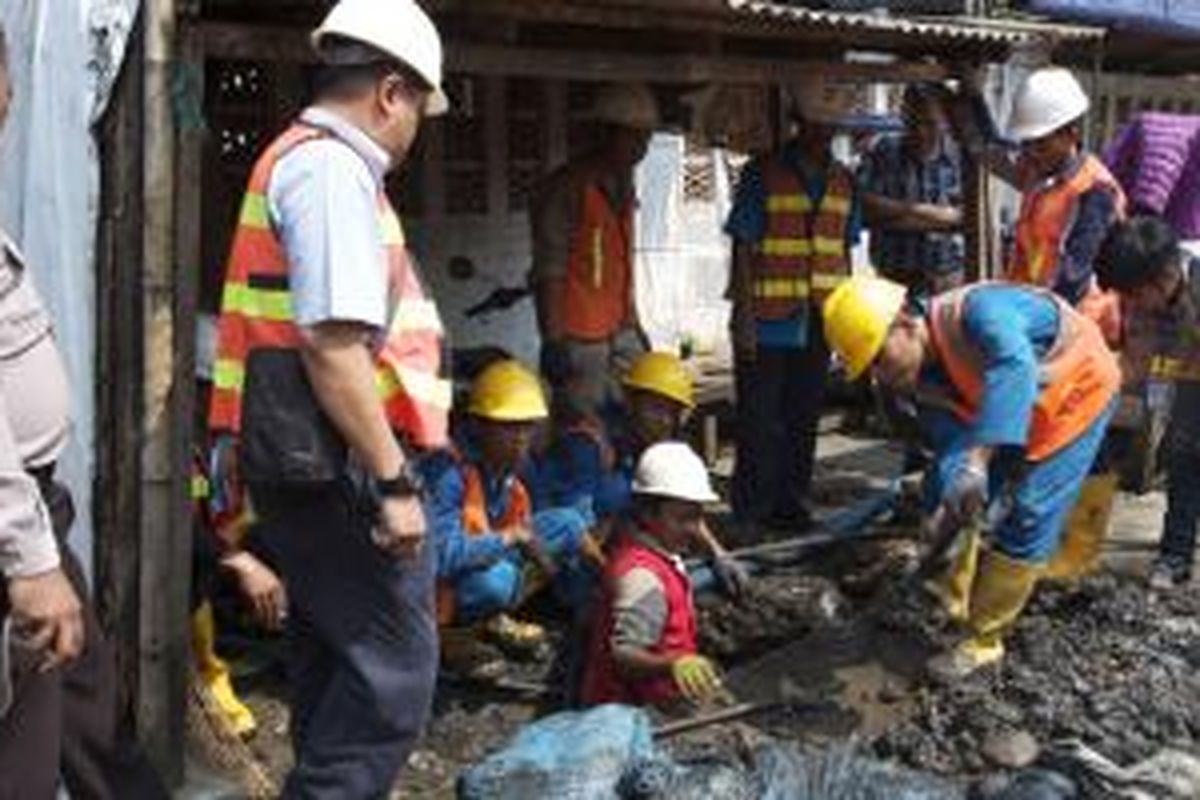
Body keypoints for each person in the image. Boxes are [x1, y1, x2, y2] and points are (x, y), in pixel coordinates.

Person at [206, 1, 453, 793]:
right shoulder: (330, 171)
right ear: (390, 93)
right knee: (391, 679)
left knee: (337, 659)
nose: (417, 128)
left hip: (308, 459)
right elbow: (334, 344)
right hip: (339, 463)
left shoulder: (305, 161)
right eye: (419, 105)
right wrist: (392, 481)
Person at [0, 23, 165, 797]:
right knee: (31, 731)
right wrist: (29, 560)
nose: (10, 98)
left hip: (33, 508)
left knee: (85, 704)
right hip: (13, 518)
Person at [823, 277, 1119, 681]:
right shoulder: (921, 377)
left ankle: (985, 640)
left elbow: (1013, 368)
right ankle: (949, 597)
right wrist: (942, 521)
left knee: (1031, 511)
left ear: (906, 324)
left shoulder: (980, 314)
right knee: (945, 482)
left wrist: (979, 464)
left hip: (1075, 392)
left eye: (879, 358)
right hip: (1021, 407)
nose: (880, 375)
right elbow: (952, 447)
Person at [725, 76, 863, 532]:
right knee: (759, 422)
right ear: (799, 123)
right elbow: (743, 247)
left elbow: (843, 254)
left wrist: (848, 325)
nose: (823, 134)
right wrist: (742, 317)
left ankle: (791, 506)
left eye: (830, 126)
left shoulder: (845, 181)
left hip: (820, 322)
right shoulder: (762, 172)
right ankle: (751, 512)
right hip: (767, 321)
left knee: (803, 419)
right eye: (816, 124)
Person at [534, 350, 747, 597]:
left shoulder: (658, 447)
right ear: (631, 401)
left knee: (697, 576)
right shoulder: (591, 446)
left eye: (671, 412)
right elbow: (574, 529)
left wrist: (718, 553)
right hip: (568, 559)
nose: (664, 420)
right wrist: (615, 573)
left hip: (616, 549)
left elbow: (683, 506)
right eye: (655, 408)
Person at [424, 360, 589, 647]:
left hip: (496, 550)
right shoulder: (449, 473)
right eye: (509, 428)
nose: (521, 438)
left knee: (571, 522)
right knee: (497, 582)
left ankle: (583, 610)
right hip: (449, 585)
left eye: (527, 427)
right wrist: (510, 537)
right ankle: (463, 631)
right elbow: (441, 557)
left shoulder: (512, 463)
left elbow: (538, 516)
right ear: (478, 425)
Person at [530, 83, 658, 417]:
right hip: (579, 337)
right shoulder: (566, 188)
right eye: (634, 137)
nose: (641, 147)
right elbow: (550, 269)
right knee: (584, 429)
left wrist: (636, 324)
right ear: (606, 133)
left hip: (621, 331)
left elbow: (621, 263)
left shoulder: (625, 184)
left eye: (645, 138)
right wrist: (553, 339)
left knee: (635, 420)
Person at [580, 442, 729, 708]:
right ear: (648, 513)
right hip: (632, 716)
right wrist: (673, 663)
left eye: (696, 518)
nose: (693, 529)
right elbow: (624, 655)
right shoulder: (643, 577)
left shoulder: (657, 555)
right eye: (682, 519)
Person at [1095, 217, 1200, 589]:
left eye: (1135, 294)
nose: (1131, 304)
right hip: (1190, 368)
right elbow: (1135, 362)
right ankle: (1175, 557)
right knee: (1183, 453)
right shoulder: (1144, 297)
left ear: (1167, 275)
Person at [861, 84, 965, 297]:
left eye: (929, 123)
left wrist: (895, 212)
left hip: (945, 281)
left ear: (944, 120)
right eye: (913, 122)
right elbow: (865, 207)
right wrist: (935, 215)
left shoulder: (959, 157)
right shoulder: (884, 150)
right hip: (891, 281)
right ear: (903, 116)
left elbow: (966, 217)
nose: (921, 131)